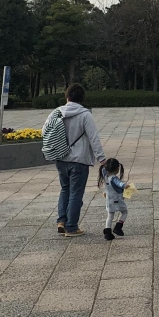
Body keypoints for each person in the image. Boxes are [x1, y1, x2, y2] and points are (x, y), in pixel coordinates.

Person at [50, 83, 106, 236]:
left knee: (65, 189)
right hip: (79, 160)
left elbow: (46, 131)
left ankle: (61, 221)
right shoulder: (85, 115)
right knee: (76, 193)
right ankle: (71, 227)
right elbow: (93, 138)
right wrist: (102, 159)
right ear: (82, 98)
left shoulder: (57, 113)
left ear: (67, 96)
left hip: (60, 159)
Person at [98, 156, 134, 242]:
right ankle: (118, 226)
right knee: (124, 212)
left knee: (110, 215)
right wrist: (125, 186)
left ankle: (107, 231)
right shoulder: (113, 178)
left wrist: (104, 163)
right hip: (117, 199)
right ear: (117, 168)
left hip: (109, 199)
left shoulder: (105, 176)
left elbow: (104, 169)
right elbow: (119, 183)